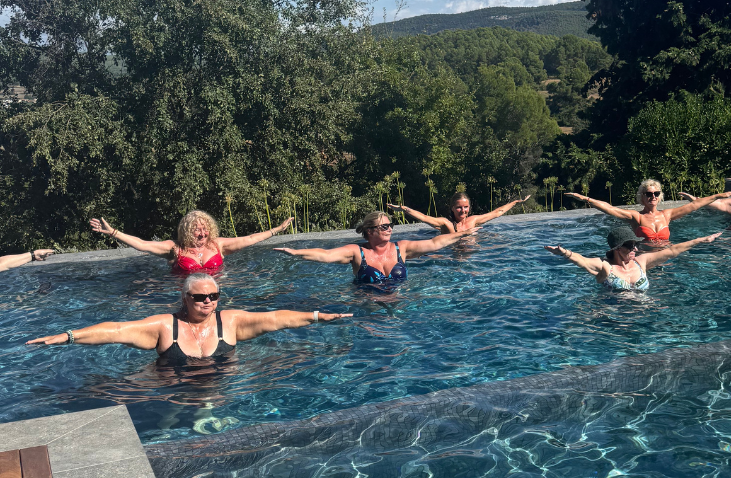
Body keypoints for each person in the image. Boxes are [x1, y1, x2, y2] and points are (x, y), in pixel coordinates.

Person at [26, 272, 350, 365]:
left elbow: (277, 318)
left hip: (224, 394)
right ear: (185, 298)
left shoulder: (232, 321)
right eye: (199, 297)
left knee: (291, 359)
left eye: (213, 296)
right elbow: (116, 330)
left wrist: (319, 316)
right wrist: (68, 336)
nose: (208, 302)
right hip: (172, 396)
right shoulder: (164, 326)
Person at [274, 211, 465, 287]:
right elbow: (326, 254)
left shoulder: (402, 248)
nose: (389, 229)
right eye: (384, 227)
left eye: (390, 225)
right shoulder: (357, 252)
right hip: (367, 310)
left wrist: (463, 234)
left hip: (401, 306)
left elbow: (434, 243)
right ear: (369, 231)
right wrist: (296, 253)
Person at [89, 209, 294, 274]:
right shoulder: (174, 248)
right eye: (197, 229)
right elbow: (142, 244)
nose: (202, 233)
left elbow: (249, 239)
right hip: (185, 297)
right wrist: (114, 232)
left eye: (205, 229)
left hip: (213, 296)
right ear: (187, 231)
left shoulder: (218, 245)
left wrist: (277, 229)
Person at [545, 224, 723, 291]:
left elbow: (672, 251)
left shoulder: (641, 262)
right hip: (615, 320)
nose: (635, 248)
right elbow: (582, 261)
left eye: (635, 244)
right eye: (630, 245)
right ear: (617, 248)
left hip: (644, 316)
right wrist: (564, 253)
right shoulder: (606, 267)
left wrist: (702, 240)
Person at [564, 180, 731, 243]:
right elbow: (609, 208)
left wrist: (718, 195)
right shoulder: (635, 217)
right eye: (649, 194)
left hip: (666, 259)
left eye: (656, 194)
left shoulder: (667, 215)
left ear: (659, 197)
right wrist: (586, 199)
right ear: (642, 197)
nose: (653, 197)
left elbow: (694, 205)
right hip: (645, 260)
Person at [386, 191, 531, 234]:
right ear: (452, 208)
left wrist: (517, 202)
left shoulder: (473, 220)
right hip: (452, 258)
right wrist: (404, 209)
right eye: (459, 207)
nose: (463, 210)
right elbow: (424, 218)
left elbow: (497, 212)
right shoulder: (446, 224)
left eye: (466, 207)